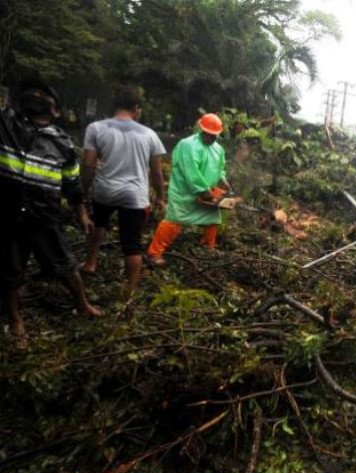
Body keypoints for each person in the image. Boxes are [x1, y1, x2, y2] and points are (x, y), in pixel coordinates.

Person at [0, 77, 101, 340]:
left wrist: (81, 213)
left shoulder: (62, 142)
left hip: (45, 215)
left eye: (42, 95)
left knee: (66, 264)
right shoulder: (6, 125)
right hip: (9, 214)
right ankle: (15, 319)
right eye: (31, 93)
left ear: (55, 109)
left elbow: (71, 182)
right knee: (10, 269)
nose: (35, 96)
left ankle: (82, 304)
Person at [81, 86, 167, 299]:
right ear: (136, 108)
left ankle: (90, 263)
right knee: (132, 244)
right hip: (134, 195)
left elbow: (89, 165)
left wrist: (83, 190)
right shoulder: (149, 135)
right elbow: (157, 172)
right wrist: (161, 196)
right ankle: (129, 292)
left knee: (98, 223)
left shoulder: (96, 128)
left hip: (104, 189)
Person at [146, 113, 229, 266]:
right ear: (202, 131)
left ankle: (207, 248)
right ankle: (154, 253)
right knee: (174, 219)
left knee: (212, 220)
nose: (212, 138)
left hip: (208, 192)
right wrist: (203, 190)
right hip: (184, 191)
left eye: (215, 136)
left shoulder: (218, 149)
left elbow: (220, 168)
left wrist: (223, 180)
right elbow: (190, 171)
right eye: (209, 135)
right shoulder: (188, 145)